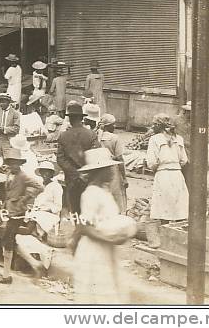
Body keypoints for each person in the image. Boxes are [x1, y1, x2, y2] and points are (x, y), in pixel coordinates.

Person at [73, 147, 135, 304]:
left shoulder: (104, 191)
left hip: (105, 248)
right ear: (100, 171)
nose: (113, 171)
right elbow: (84, 227)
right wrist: (111, 240)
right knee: (98, 294)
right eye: (110, 168)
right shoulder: (91, 193)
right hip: (94, 250)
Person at [0, 148, 42, 284]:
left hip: (18, 212)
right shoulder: (8, 174)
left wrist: (25, 198)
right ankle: (34, 264)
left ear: (19, 164)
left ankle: (7, 276)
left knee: (7, 240)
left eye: (15, 163)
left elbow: (40, 187)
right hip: (9, 210)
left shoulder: (23, 176)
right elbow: (7, 195)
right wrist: (2, 211)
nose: (13, 165)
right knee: (9, 240)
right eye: (10, 162)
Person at [56, 102, 100, 215]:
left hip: (72, 179)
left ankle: (78, 229)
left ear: (70, 119)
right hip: (89, 178)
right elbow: (97, 156)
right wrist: (86, 173)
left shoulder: (63, 136)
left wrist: (75, 173)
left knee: (75, 209)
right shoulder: (91, 134)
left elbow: (60, 159)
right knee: (89, 209)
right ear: (81, 118)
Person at [146, 114, 189, 222]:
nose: (152, 127)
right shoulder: (179, 139)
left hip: (163, 174)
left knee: (163, 207)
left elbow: (151, 162)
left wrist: (157, 167)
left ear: (159, 125)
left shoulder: (154, 139)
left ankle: (165, 232)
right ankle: (178, 232)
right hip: (177, 174)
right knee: (178, 207)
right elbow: (184, 160)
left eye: (154, 124)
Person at [96, 114, 128, 213]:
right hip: (113, 171)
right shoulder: (115, 138)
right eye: (112, 125)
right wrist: (124, 177)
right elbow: (119, 158)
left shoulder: (96, 137)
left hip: (99, 170)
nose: (114, 127)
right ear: (107, 126)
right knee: (116, 197)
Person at [0, 93, 21, 159]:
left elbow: (16, 129)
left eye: (3, 102)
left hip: (9, 139)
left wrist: (4, 129)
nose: (1, 104)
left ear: (8, 102)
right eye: (0, 102)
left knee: (8, 159)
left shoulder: (15, 113)